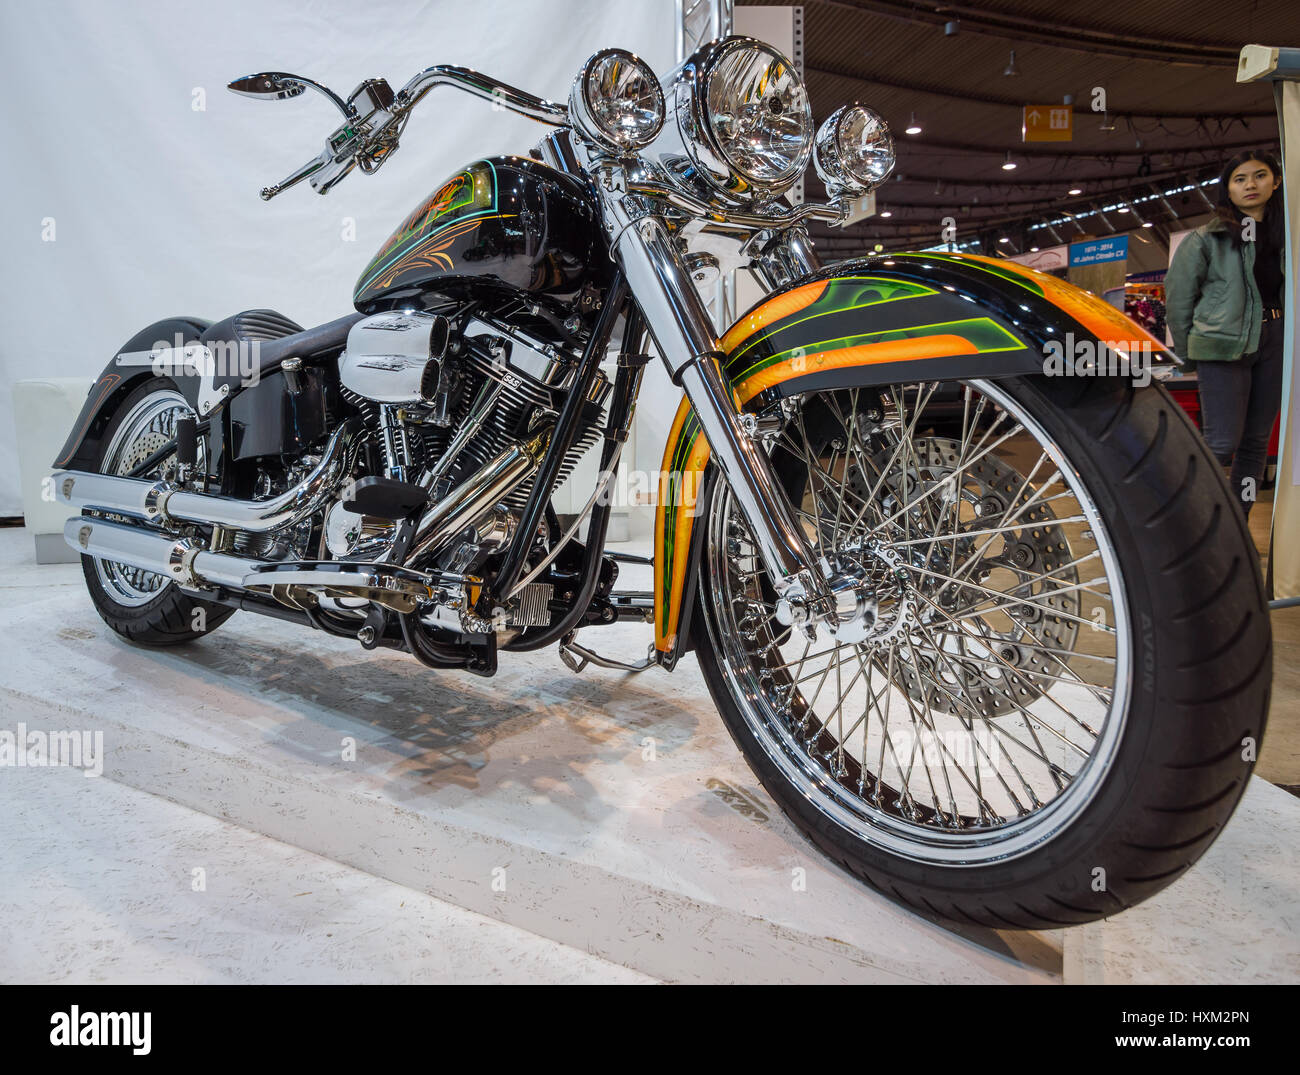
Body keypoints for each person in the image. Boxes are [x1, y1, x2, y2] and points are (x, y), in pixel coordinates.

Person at [1165, 149, 1285, 518]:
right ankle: (1196, 521)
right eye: (1240, 179)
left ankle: (1238, 521)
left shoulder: (1288, 236)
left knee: (1255, 443)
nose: (1251, 184)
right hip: (1222, 346)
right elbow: (1178, 299)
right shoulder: (1205, 239)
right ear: (1227, 191)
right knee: (1221, 442)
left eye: (1260, 175)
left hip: (1276, 339)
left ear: (1276, 181)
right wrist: (1189, 354)